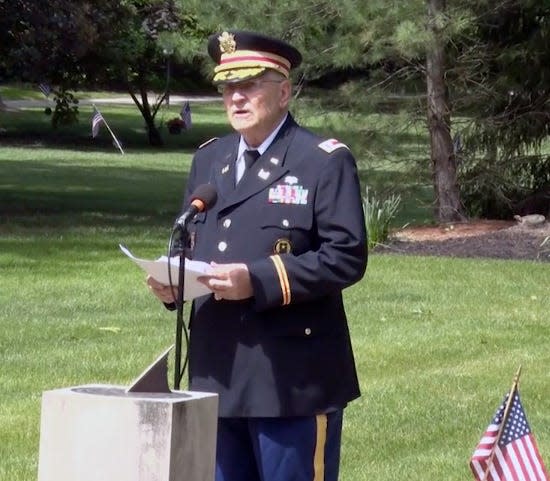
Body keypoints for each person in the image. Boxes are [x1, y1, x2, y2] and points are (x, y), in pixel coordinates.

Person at [147, 29, 368, 481]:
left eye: (249, 85)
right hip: (216, 373)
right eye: (228, 87)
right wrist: (172, 279)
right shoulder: (210, 160)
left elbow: (346, 256)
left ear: (284, 92)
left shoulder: (322, 161)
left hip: (290, 379)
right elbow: (187, 236)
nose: (236, 97)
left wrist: (258, 279)